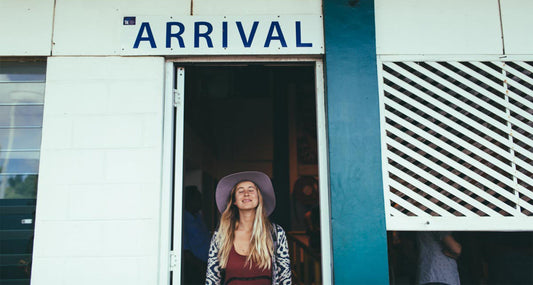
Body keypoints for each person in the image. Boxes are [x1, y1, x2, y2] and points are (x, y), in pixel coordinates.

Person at [205, 171, 292, 285]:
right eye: (240, 191)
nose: (246, 193)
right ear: (234, 201)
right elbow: (211, 280)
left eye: (251, 190)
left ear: (259, 198)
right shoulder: (221, 235)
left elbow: (285, 279)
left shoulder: (276, 233)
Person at [182, 185, 211, 284]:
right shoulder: (183, 220)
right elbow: (185, 252)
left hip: (207, 266)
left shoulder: (199, 217)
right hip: (195, 269)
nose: (201, 201)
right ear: (190, 200)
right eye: (198, 198)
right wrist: (202, 266)